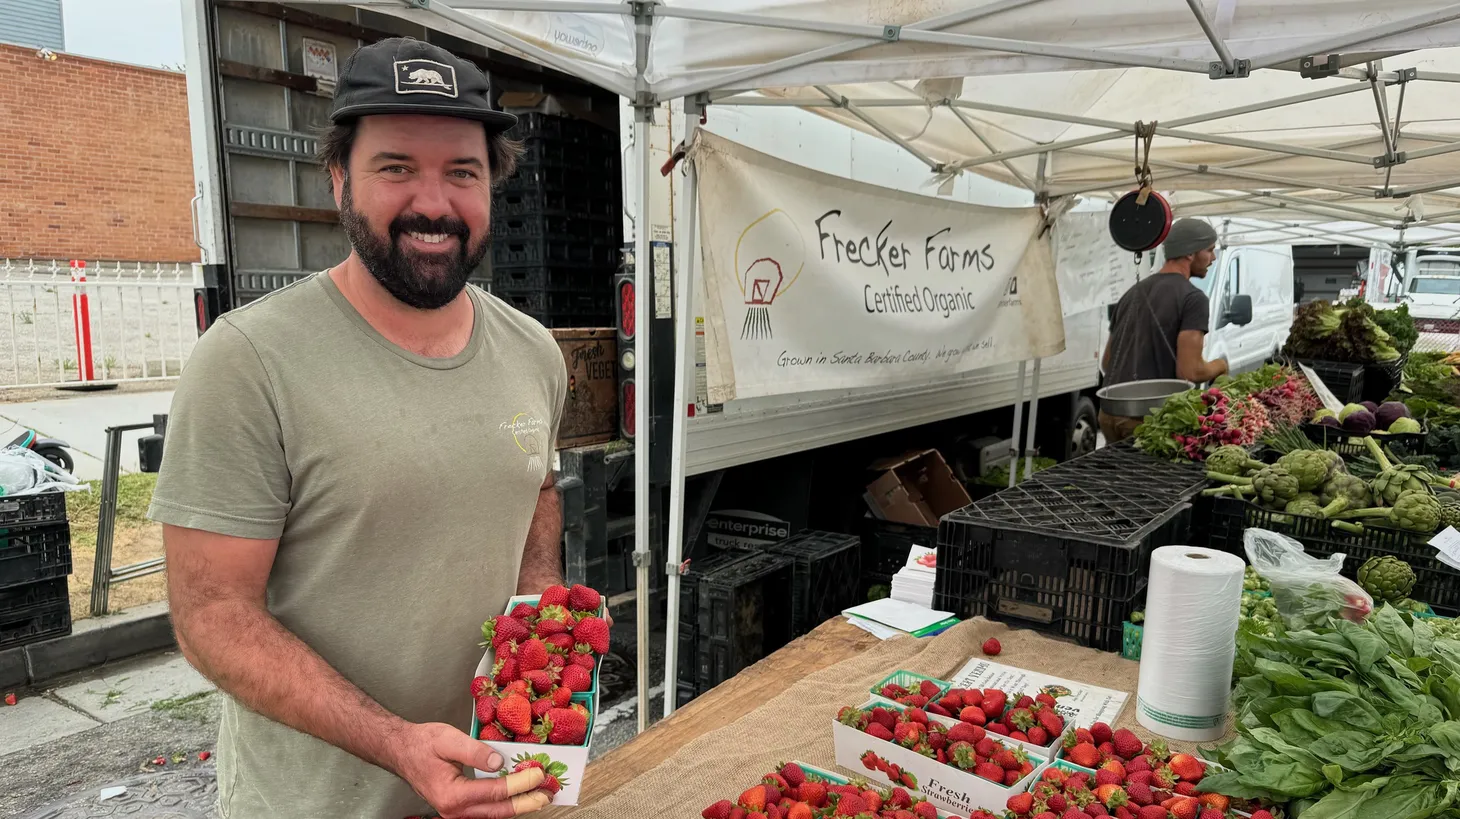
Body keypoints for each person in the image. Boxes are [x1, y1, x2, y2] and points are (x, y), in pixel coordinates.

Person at [147, 37, 569, 819]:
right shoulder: (248, 361)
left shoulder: (533, 350)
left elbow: (536, 482)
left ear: (493, 184)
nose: (434, 202)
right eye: (396, 167)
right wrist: (398, 742)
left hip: (495, 787)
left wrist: (540, 592)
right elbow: (213, 616)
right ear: (340, 177)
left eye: (462, 172)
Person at [1098, 217, 1229, 443]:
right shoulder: (1193, 298)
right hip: (1147, 419)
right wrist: (1221, 365)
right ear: (1190, 253)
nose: (1213, 258)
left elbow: (1107, 362)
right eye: (1209, 250)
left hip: (1109, 414)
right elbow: (1190, 372)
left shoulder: (1132, 293)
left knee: (1119, 477)